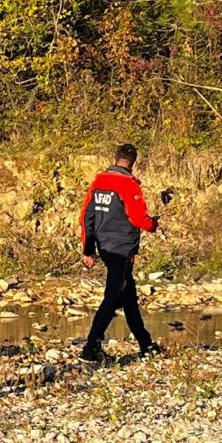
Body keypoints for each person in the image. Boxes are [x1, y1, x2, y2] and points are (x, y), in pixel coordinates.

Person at [78, 143, 165, 364]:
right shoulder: (128, 185)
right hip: (122, 249)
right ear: (133, 163)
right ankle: (91, 347)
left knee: (129, 297)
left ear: (115, 158)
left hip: (105, 248)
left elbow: (86, 218)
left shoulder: (98, 183)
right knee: (112, 297)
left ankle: (147, 345)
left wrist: (88, 249)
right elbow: (138, 219)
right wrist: (153, 224)